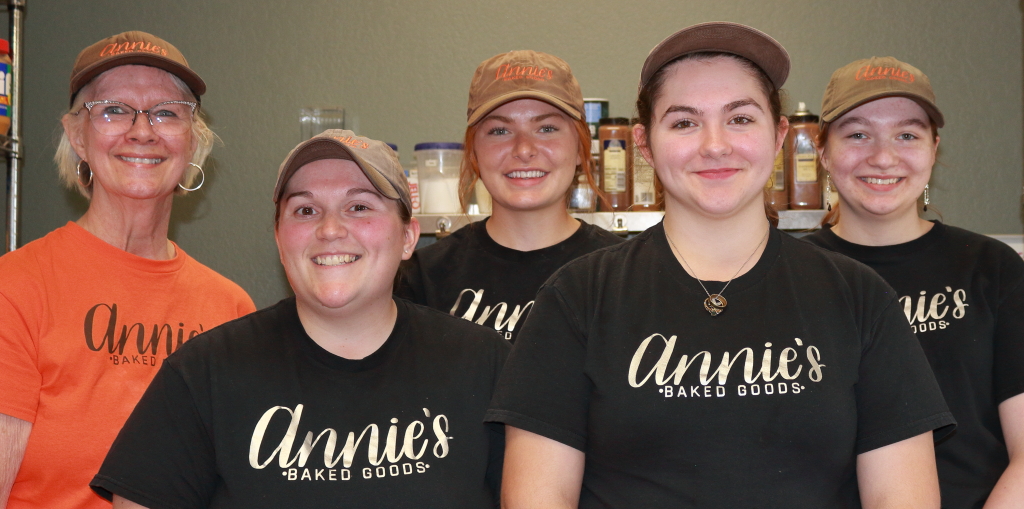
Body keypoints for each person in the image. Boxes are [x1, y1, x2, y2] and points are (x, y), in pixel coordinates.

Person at [486, 22, 956, 508]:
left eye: (740, 119)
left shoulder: (857, 294)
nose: (715, 145)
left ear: (779, 137)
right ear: (645, 145)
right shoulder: (579, 295)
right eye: (685, 122)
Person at [89, 130, 511, 509]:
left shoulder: (484, 365)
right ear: (278, 237)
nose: (330, 229)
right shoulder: (205, 373)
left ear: (408, 238)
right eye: (305, 211)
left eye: (359, 206)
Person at [0, 31, 255, 509]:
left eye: (167, 112)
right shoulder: (14, 290)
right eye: (114, 109)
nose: (143, 131)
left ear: (193, 139)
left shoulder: (231, 309)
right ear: (77, 134)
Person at [804, 56, 1024, 508]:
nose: (883, 157)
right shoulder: (789, 274)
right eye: (858, 134)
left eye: (907, 135)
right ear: (823, 151)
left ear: (934, 149)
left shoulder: (991, 267)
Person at [397, 50, 623, 343]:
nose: (524, 149)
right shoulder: (419, 279)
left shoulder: (626, 276)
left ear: (581, 148)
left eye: (546, 128)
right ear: (474, 151)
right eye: (500, 130)